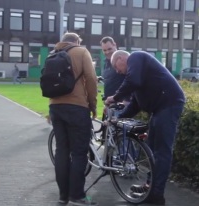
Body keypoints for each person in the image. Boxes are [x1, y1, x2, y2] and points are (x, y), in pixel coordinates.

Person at [105, 50, 185, 205]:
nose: (117, 71)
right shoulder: (138, 76)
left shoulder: (136, 57)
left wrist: (115, 97)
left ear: (122, 59)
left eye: (116, 66)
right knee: (152, 149)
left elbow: (132, 81)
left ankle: (157, 195)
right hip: (160, 109)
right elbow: (135, 104)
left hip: (170, 104)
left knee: (162, 151)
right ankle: (150, 187)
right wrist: (116, 119)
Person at [49, 32, 98, 205]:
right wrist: (92, 105)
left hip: (55, 107)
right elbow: (91, 79)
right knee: (79, 152)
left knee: (61, 151)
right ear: (77, 41)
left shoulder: (52, 54)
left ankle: (63, 196)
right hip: (77, 107)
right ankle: (77, 195)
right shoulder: (81, 52)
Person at [100, 36, 129, 103]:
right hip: (109, 103)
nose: (107, 52)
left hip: (121, 102)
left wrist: (126, 100)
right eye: (104, 50)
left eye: (109, 49)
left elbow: (130, 83)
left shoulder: (123, 60)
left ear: (114, 45)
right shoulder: (106, 63)